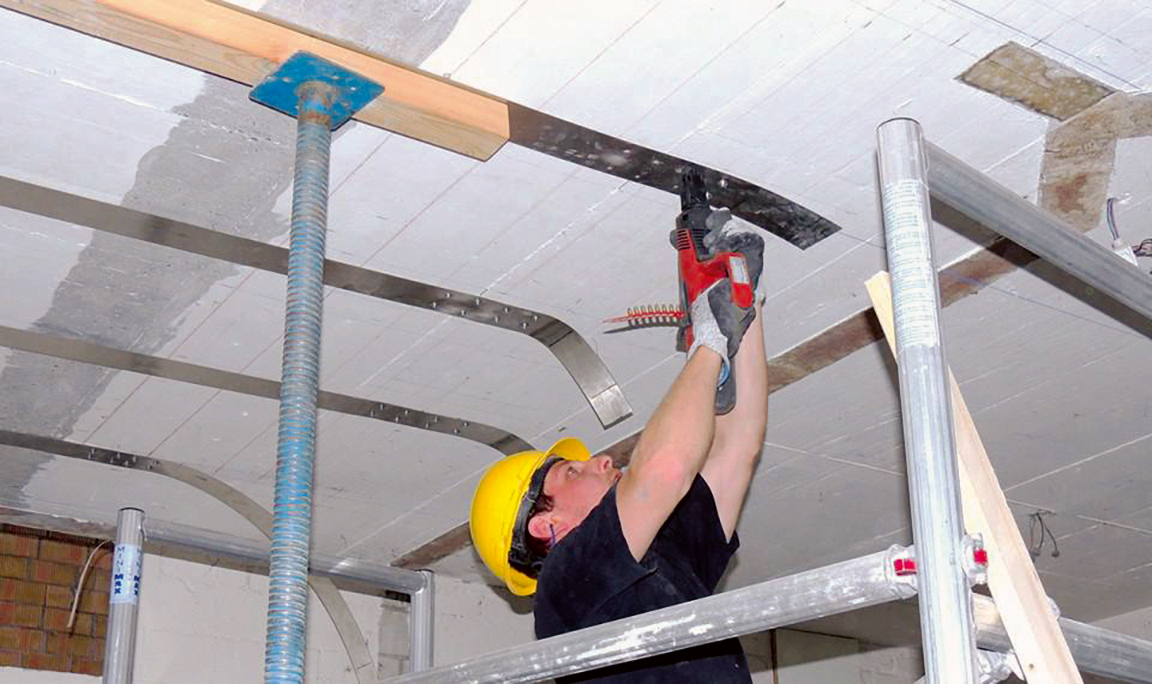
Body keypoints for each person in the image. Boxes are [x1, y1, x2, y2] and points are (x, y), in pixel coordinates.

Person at [470, 215, 768, 682]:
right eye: (571, 472)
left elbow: (737, 449)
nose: (602, 460)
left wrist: (742, 304)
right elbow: (665, 470)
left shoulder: (665, 554)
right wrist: (710, 339)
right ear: (548, 525)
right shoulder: (564, 588)